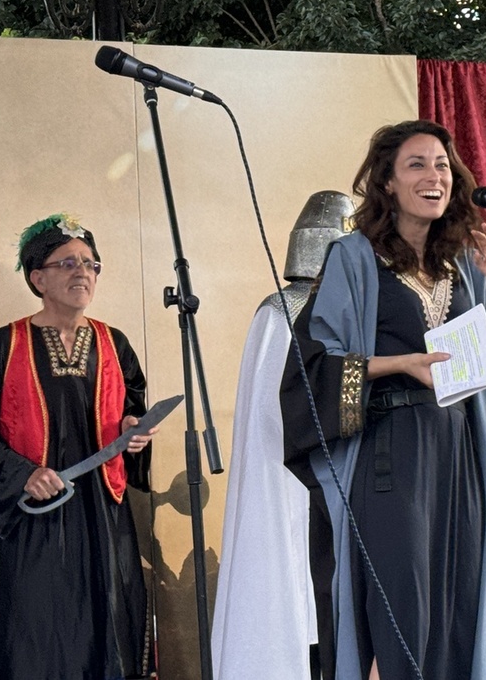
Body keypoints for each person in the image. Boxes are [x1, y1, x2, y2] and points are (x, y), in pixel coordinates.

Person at [280, 120, 486, 680]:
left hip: (460, 455)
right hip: (389, 454)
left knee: (458, 606)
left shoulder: (469, 265)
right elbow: (312, 369)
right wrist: (400, 364)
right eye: (417, 165)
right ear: (388, 184)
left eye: (442, 165)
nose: (434, 176)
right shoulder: (354, 258)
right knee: (399, 605)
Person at [0, 214, 157, 680]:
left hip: (103, 519)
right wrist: (23, 473)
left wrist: (134, 432)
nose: (82, 272)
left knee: (109, 626)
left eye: (90, 263)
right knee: (34, 634)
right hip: (33, 521)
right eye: (67, 262)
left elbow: (132, 415)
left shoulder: (115, 343)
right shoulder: (3, 346)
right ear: (37, 276)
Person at [211, 190, 354, 680]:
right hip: (295, 485)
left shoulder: (341, 311)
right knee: (305, 612)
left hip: (338, 484)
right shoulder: (286, 310)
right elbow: (287, 413)